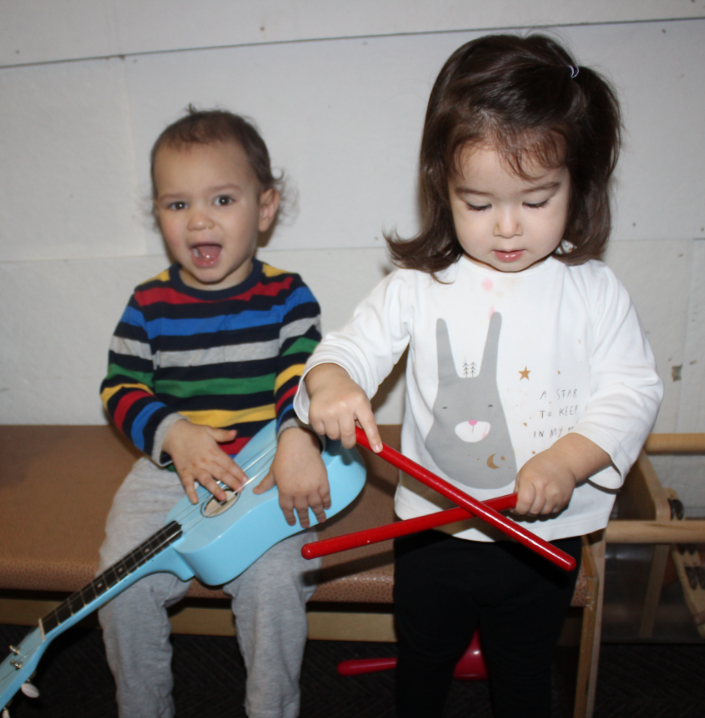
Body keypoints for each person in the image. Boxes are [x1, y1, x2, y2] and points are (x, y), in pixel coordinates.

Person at [296, 34, 664, 717]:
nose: (505, 227)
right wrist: (334, 383)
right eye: (477, 201)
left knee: (524, 672)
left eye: (535, 200)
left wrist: (568, 459)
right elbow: (345, 350)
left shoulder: (593, 291)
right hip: (434, 528)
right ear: (442, 185)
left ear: (578, 182)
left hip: (541, 537)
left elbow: (634, 390)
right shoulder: (417, 287)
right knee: (424, 660)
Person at [98, 107, 328, 718]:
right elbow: (119, 389)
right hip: (169, 467)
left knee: (276, 583)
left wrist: (297, 438)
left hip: (268, 462)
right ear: (160, 216)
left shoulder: (289, 295)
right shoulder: (147, 303)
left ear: (266, 207)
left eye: (222, 199)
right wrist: (173, 433)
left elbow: (302, 378)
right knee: (119, 582)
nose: (198, 218)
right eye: (177, 205)